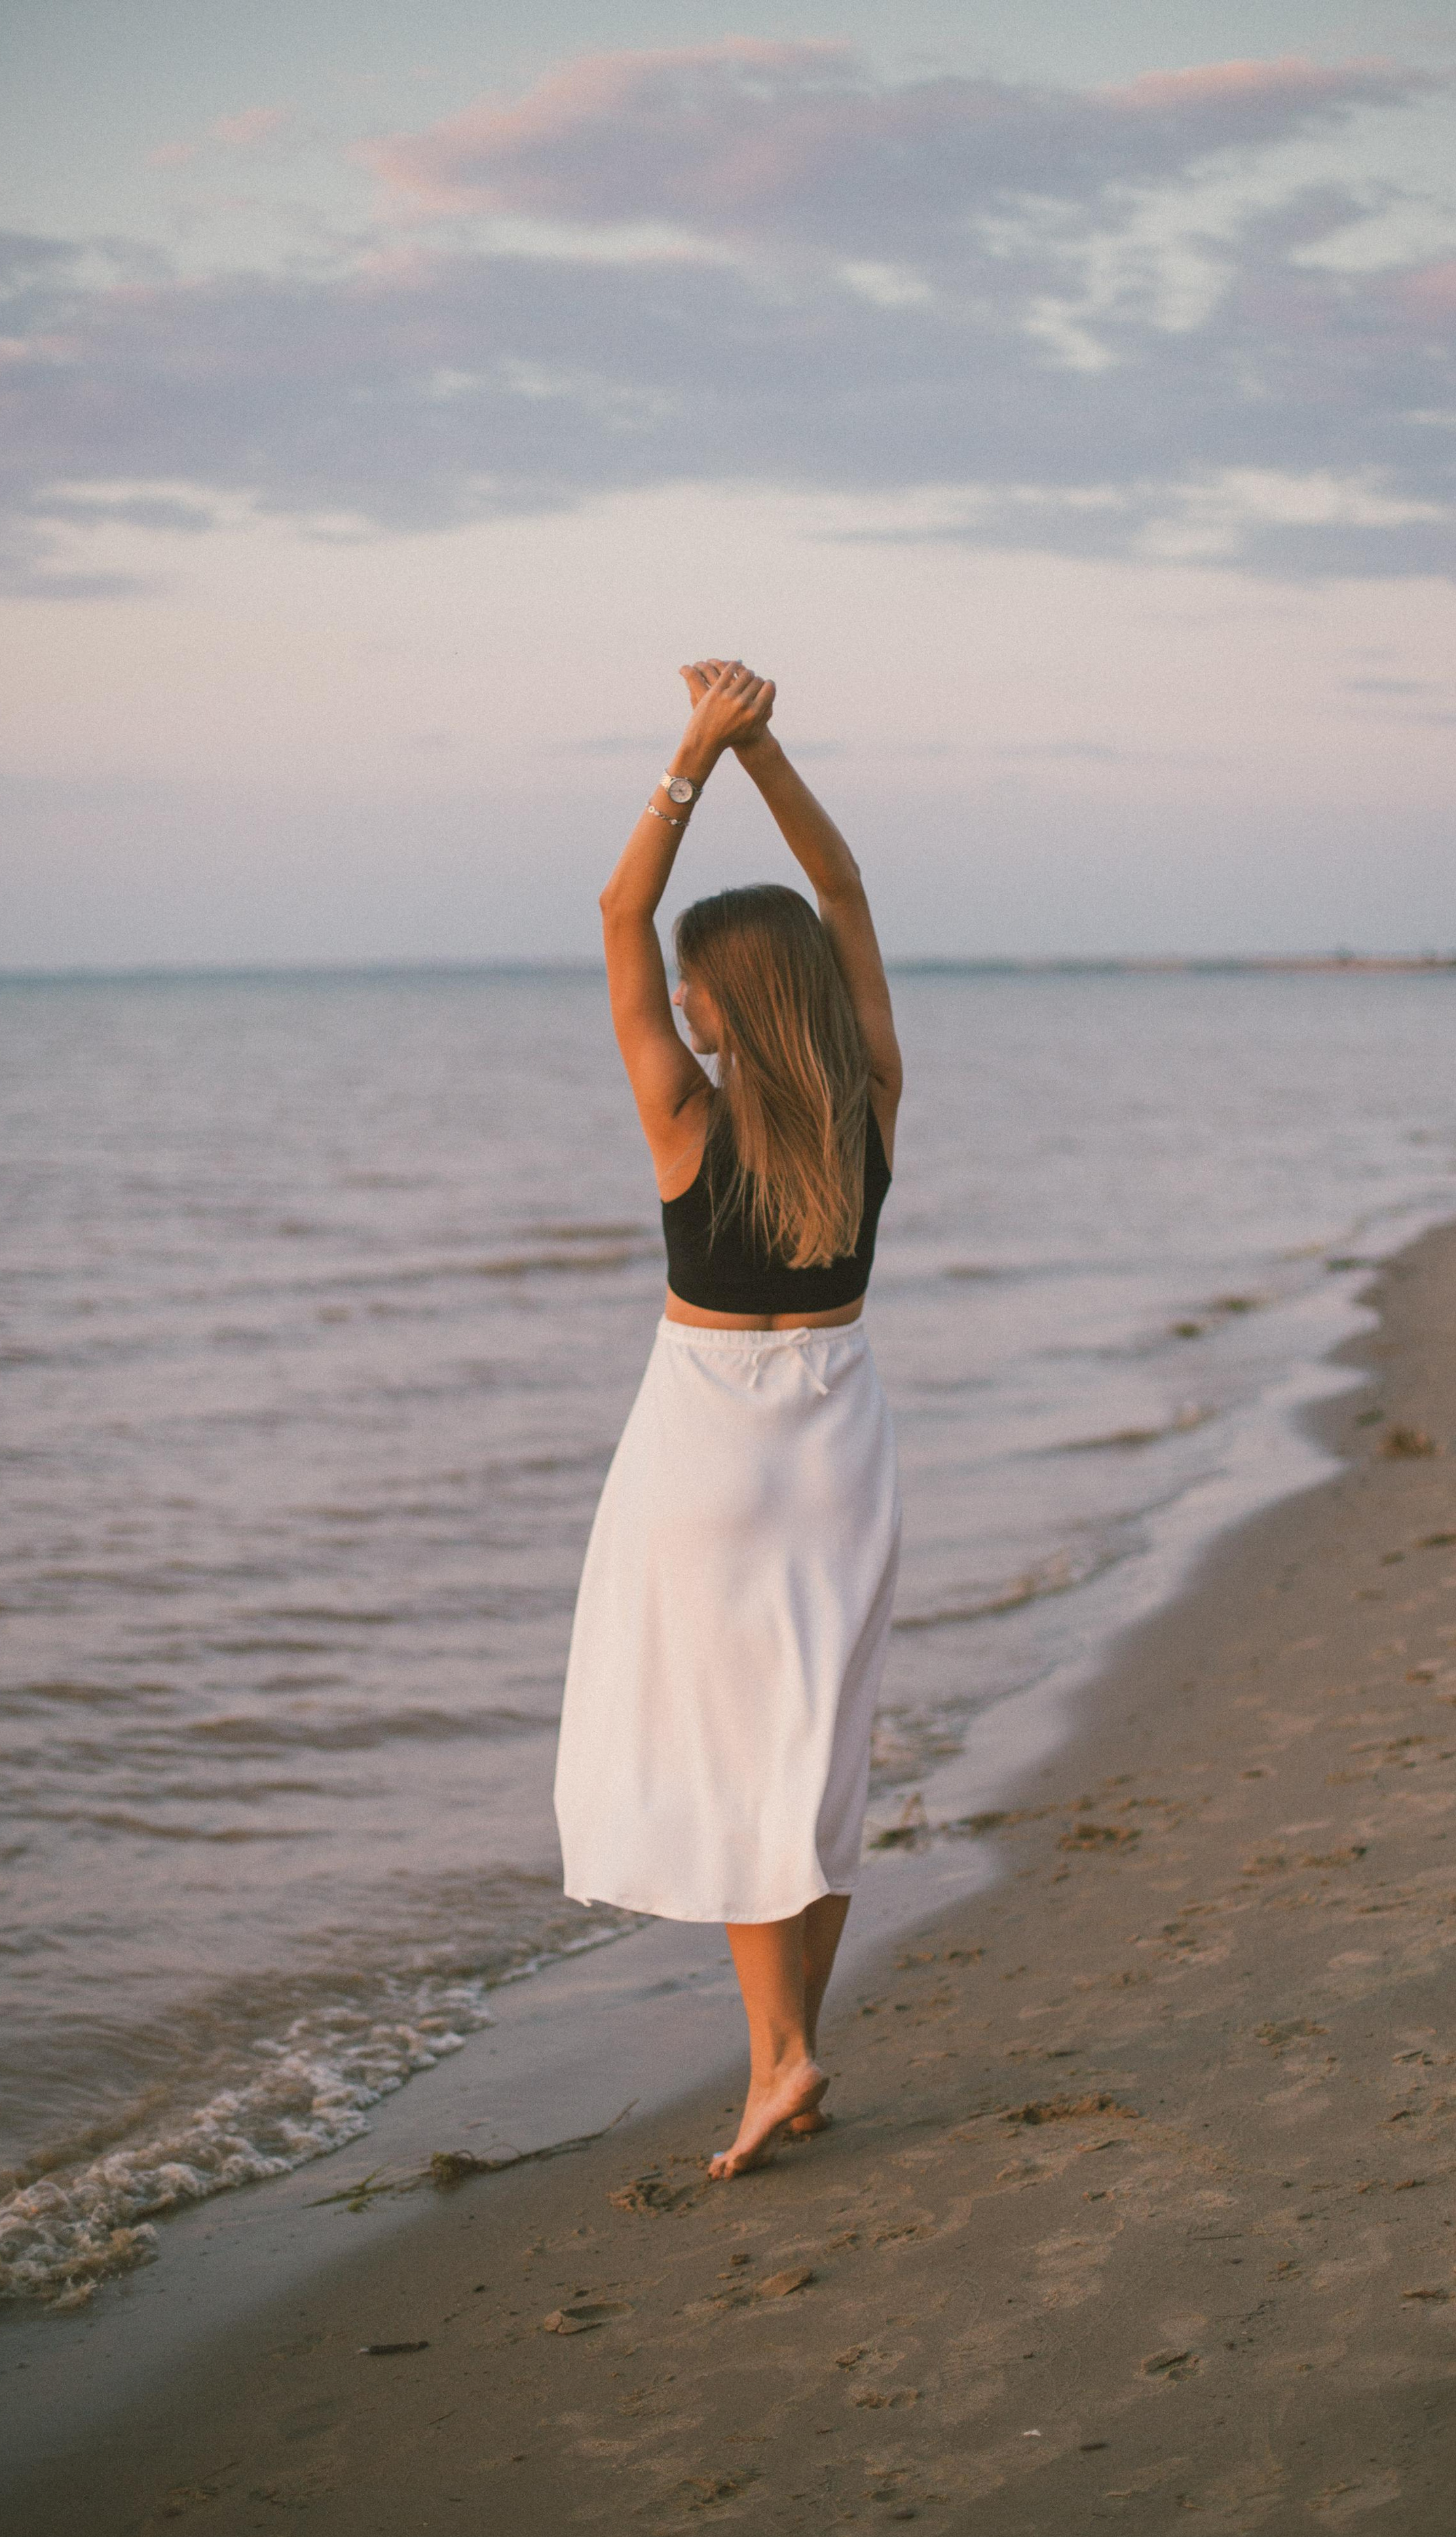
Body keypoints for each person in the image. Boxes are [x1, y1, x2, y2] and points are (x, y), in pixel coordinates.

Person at [553, 658, 903, 2180]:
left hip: (704, 1449)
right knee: (810, 1750)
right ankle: (784, 2054)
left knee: (733, 1759)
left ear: (720, 998)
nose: (679, 1002)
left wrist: (693, 752)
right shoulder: (870, 1099)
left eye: (697, 985)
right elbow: (838, 883)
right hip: (836, 1441)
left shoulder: (682, 1117)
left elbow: (619, 916)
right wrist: (767, 756)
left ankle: (780, 2058)